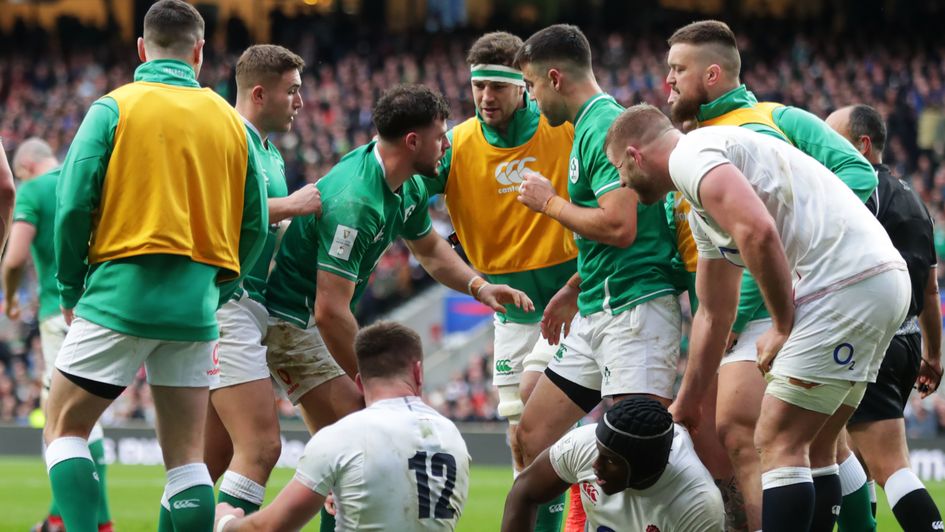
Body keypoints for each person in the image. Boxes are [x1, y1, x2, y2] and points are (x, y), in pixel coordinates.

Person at [605, 104, 909, 532]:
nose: (622, 182)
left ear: (636, 156)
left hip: (845, 283)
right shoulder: (700, 199)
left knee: (776, 439)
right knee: (816, 444)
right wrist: (688, 400)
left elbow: (758, 231)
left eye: (620, 169)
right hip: (873, 280)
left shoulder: (692, 155)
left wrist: (782, 325)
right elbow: (714, 312)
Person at [43, 1, 268, 530]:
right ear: (200, 50)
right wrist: (221, 286)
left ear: (142, 49)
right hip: (195, 307)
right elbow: (254, 223)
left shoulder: (113, 107)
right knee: (187, 458)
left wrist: (69, 289)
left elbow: (73, 204)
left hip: (118, 294)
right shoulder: (229, 122)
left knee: (63, 428)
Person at [263, 84, 531, 528]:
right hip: (294, 324)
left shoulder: (403, 185)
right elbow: (330, 312)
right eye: (440, 136)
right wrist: (378, 391)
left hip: (316, 321)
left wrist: (479, 287)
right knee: (365, 431)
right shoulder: (356, 201)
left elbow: (428, 249)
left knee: (347, 453)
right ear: (413, 142)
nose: (445, 146)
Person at [664, 19, 879, 530]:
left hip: (771, 306)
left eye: (677, 69)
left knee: (745, 433)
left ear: (712, 74)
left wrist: (796, 262)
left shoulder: (773, 119)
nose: (667, 80)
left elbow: (859, 174)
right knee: (820, 441)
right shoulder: (697, 141)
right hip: (729, 308)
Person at [418, 31, 578, 531]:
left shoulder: (563, 129)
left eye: (498, 87)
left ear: (525, 86)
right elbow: (408, 193)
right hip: (510, 307)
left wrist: (578, 287)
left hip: (572, 299)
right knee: (519, 434)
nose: (486, 97)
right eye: (479, 86)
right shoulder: (457, 144)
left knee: (539, 417)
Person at [511, 24, 680, 478]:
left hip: (635, 310)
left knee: (635, 456)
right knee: (530, 435)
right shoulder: (586, 126)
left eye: (529, 86)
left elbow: (621, 226)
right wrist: (572, 286)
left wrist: (550, 203)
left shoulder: (602, 124)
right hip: (598, 306)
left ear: (554, 78)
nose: (530, 99)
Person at [202, 44, 323, 515]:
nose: (300, 101)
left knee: (206, 463)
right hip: (226, 303)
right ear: (258, 92)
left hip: (247, 306)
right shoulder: (229, 136)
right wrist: (292, 206)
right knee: (261, 447)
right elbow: (217, 215)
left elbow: (255, 220)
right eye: (292, 91)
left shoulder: (267, 151)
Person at [214, 321, 470, 531]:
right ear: (418, 372)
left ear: (359, 382)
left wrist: (226, 521)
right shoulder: (452, 436)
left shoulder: (340, 437)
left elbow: (268, 528)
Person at [826, 104, 944, 532]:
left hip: (868, 338)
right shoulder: (912, 198)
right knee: (837, 446)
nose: (822, 146)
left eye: (831, 137)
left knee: (887, 467)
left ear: (863, 145)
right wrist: (933, 354)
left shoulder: (855, 192)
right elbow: (928, 288)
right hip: (907, 338)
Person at [4, 139, 113, 532]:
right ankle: (82, 520)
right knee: (86, 419)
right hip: (105, 307)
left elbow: (15, 257)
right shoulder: (86, 175)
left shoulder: (33, 188)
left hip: (60, 313)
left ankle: (65, 519)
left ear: (27, 167)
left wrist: (12, 295)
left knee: (63, 422)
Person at [502, 396, 724, 531]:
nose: (595, 464)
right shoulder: (586, 443)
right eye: (599, 451)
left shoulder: (697, 504)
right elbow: (523, 493)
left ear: (643, 465)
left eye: (610, 460)